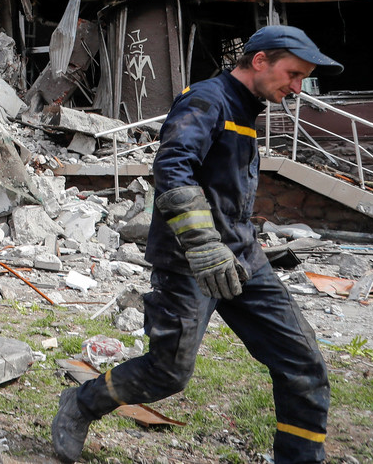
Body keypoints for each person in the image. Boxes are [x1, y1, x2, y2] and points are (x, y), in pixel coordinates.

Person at [52, 25, 341, 464]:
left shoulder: (245, 108)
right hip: (190, 261)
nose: (297, 88)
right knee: (168, 372)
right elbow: (172, 168)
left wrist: (227, 244)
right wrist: (204, 244)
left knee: (303, 363)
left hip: (243, 258)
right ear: (260, 60)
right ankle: (81, 404)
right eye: (293, 74)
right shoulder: (206, 99)